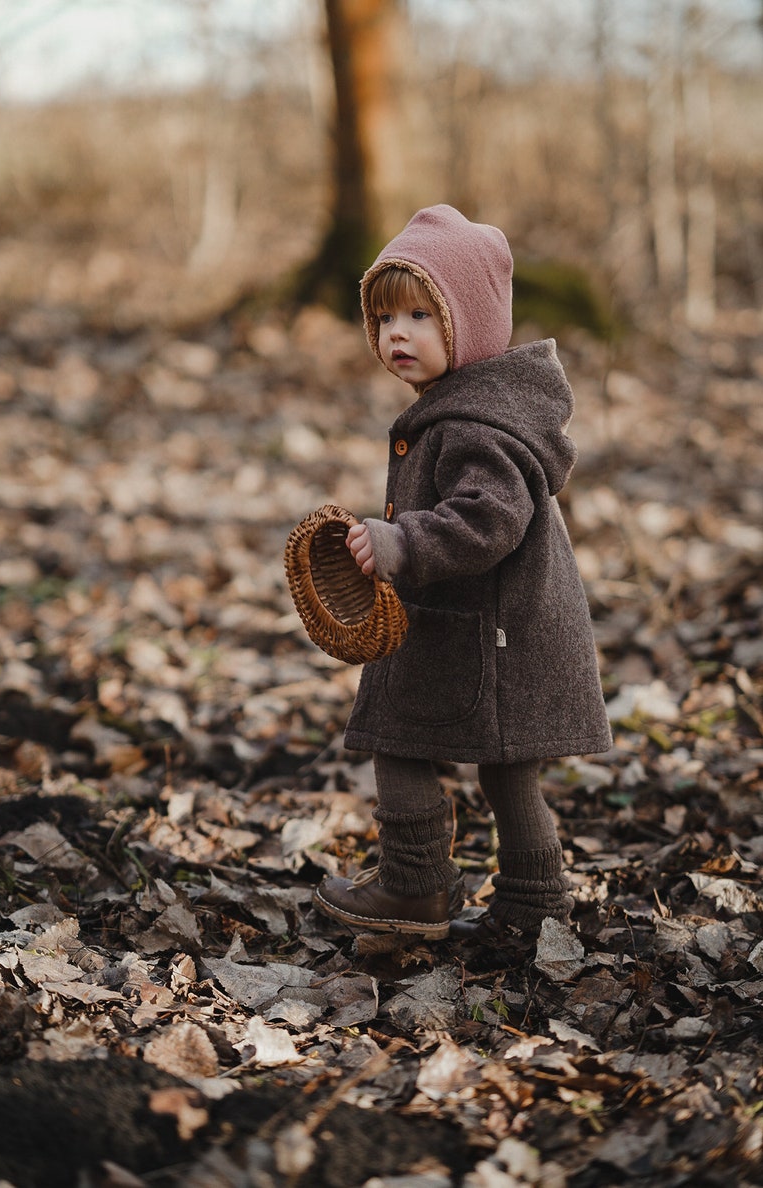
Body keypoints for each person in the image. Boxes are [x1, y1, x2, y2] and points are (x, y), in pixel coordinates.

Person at [312, 204, 612, 949]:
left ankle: (414, 886)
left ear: (471, 325)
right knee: (509, 771)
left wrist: (400, 544)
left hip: (488, 635)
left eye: (420, 314)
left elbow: (490, 520)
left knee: (400, 741)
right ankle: (535, 904)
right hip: (496, 632)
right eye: (384, 319)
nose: (397, 335)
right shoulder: (477, 408)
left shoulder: (474, 424)